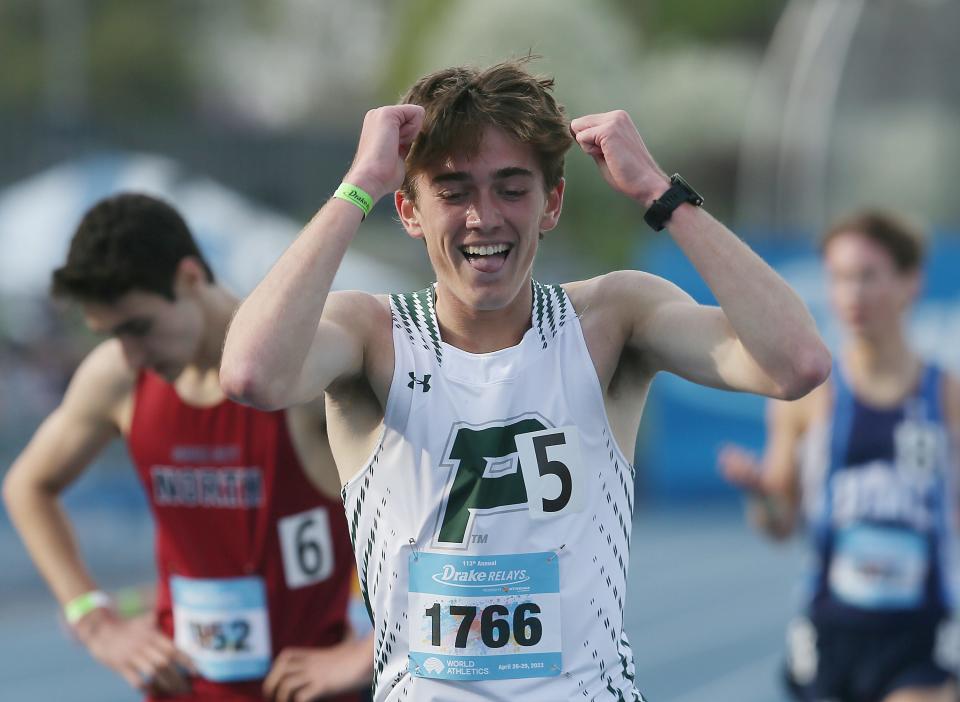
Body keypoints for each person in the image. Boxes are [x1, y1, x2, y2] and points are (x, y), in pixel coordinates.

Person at [220, 58, 831, 701]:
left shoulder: (611, 319)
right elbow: (251, 373)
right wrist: (358, 185)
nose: (484, 217)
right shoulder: (372, 337)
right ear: (408, 210)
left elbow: (798, 363)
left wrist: (659, 191)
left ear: (552, 203)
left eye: (511, 188)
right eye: (453, 192)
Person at [2, 193, 373, 702]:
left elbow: (443, 508)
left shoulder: (298, 379)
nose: (130, 354)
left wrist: (368, 652)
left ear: (190, 277)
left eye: (137, 327)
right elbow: (27, 485)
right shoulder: (119, 379)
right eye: (109, 335)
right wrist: (92, 620)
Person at [720, 210, 959, 702]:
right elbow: (779, 524)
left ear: (909, 282)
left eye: (868, 276)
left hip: (919, 631)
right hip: (830, 632)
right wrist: (761, 494)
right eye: (840, 278)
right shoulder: (808, 400)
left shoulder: (947, 396)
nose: (852, 294)